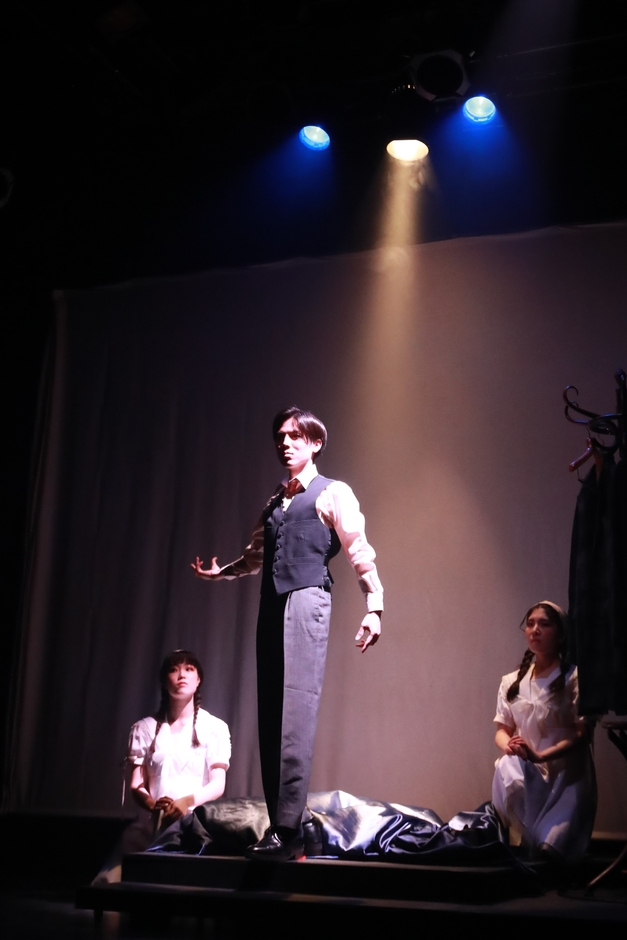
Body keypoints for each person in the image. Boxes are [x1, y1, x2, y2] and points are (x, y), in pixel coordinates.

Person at [191, 406, 383, 860]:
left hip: (307, 598)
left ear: (315, 443)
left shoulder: (332, 492)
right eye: (280, 436)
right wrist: (223, 573)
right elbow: (256, 555)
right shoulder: (275, 501)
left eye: (295, 435)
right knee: (271, 712)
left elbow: (358, 548)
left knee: (296, 712)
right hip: (272, 602)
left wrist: (374, 606)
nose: (285, 442)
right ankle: (286, 826)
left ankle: (287, 828)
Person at [95, 649, 230, 882]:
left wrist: (185, 802)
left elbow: (218, 785)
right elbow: (137, 784)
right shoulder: (143, 728)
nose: (181, 675)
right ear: (164, 681)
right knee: (118, 886)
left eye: (189, 669)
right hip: (150, 827)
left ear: (198, 679)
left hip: (192, 828)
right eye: (174, 669)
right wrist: (153, 805)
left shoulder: (214, 727)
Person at [492, 601, 596, 862]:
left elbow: (582, 734)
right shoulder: (511, 681)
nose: (535, 630)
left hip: (566, 778)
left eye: (544, 624)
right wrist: (510, 746)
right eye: (530, 624)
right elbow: (502, 730)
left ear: (560, 634)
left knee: (551, 852)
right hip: (530, 775)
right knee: (506, 764)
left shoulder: (574, 678)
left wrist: (541, 755)